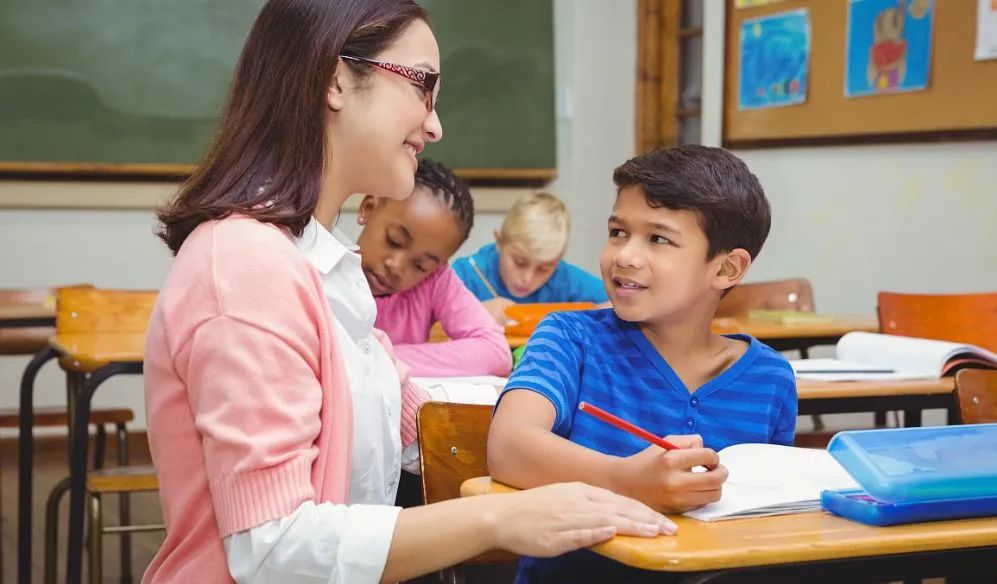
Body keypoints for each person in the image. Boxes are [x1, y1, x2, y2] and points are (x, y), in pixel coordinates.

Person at [143, 1, 675, 581]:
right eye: (423, 86)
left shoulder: (323, 263)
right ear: (337, 80)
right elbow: (275, 549)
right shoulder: (246, 265)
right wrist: (498, 519)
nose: (435, 124)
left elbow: (424, 430)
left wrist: (615, 468)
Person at [488, 145, 798, 583]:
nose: (625, 256)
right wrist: (626, 480)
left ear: (727, 268)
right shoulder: (570, 338)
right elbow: (508, 446)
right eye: (618, 232)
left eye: (658, 238)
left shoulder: (770, 379)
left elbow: (769, 514)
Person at [357, 158, 511, 376]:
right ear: (368, 208)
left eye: (421, 265)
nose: (396, 267)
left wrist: (378, 358)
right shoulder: (319, 272)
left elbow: (496, 352)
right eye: (394, 240)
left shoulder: (434, 281)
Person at [452, 192, 609, 325]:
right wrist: (472, 313)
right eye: (519, 263)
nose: (528, 279)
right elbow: (431, 320)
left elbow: (619, 303)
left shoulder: (563, 277)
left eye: (544, 269)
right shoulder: (467, 273)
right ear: (499, 241)